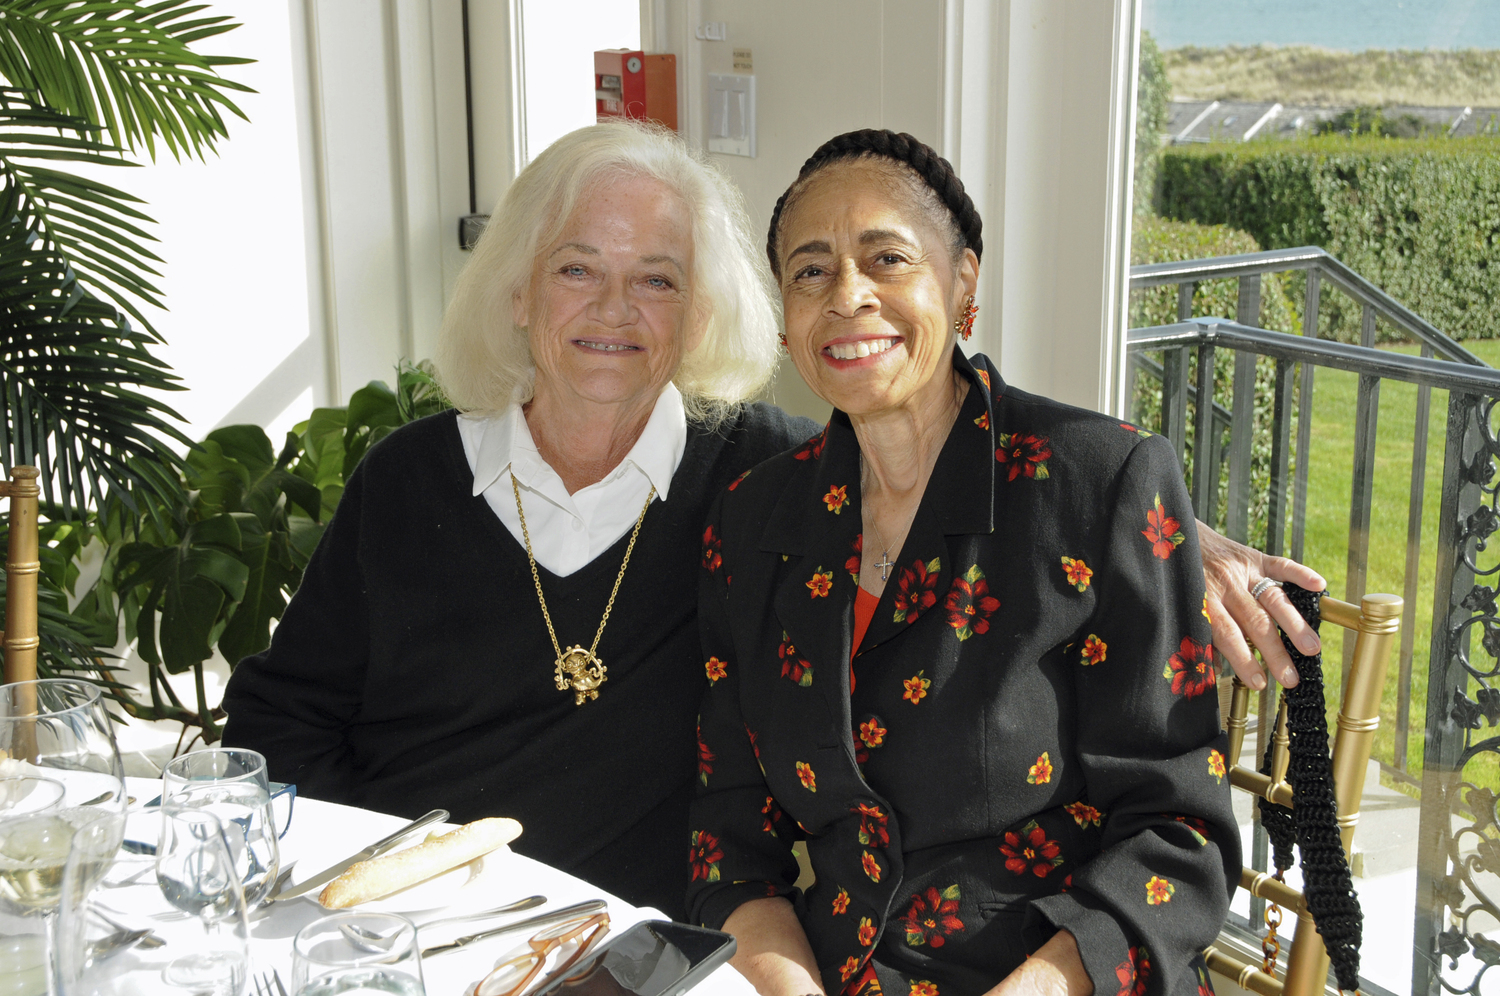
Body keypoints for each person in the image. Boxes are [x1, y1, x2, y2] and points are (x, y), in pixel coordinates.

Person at [222, 120, 1314, 921]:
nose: (615, 311)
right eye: (576, 270)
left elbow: (952, 441)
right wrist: (354, 891)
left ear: (700, 313)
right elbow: (280, 719)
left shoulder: (757, 481)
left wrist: (1176, 541)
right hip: (399, 931)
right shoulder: (410, 479)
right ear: (517, 290)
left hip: (632, 946)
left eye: (656, 280)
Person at [688, 131, 1237, 996]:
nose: (847, 296)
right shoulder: (756, 520)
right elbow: (728, 832)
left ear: (964, 284)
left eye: (887, 258)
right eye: (811, 271)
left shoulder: (1097, 485)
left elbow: (1179, 831)